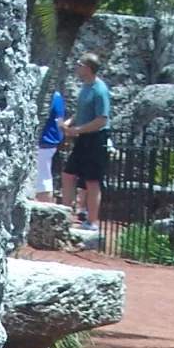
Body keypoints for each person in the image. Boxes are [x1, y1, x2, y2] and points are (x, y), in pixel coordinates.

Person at [60, 55, 111, 229]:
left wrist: (77, 130)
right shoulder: (86, 87)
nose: (76, 67)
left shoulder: (99, 90)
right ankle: (64, 216)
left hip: (95, 139)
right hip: (82, 138)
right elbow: (82, 111)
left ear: (88, 68)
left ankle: (92, 222)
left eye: (79, 64)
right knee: (68, 174)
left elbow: (101, 120)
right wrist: (70, 123)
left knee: (92, 180)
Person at [37, 87, 66, 199]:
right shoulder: (57, 96)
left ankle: (43, 210)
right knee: (44, 177)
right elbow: (60, 120)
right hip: (50, 141)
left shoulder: (49, 96)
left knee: (42, 179)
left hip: (44, 141)